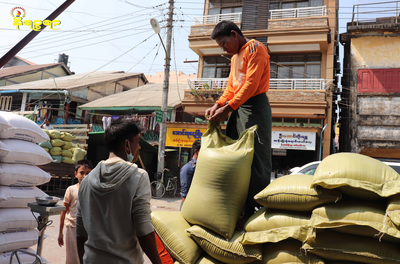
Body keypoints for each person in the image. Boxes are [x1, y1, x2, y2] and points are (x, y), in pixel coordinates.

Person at [205, 20, 272, 227]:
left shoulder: (255, 48)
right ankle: (238, 204)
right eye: (220, 46)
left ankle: (255, 208)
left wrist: (229, 107)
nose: (223, 49)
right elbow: (231, 88)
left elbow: (251, 85)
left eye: (224, 43)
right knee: (236, 155)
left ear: (234, 34)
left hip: (255, 107)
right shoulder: (235, 58)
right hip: (238, 106)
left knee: (256, 157)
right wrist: (218, 104)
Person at [76, 118, 162, 264]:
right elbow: (143, 227)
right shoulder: (139, 176)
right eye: (137, 142)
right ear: (127, 144)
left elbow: (80, 231)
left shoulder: (87, 180)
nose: (139, 148)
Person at [58, 159, 93, 264]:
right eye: (81, 173)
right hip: (72, 228)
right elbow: (64, 211)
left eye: (88, 173)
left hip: (88, 229)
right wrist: (60, 233)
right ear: (75, 174)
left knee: (85, 258)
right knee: (72, 258)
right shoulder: (71, 190)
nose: (84, 176)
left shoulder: (94, 190)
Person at [180, 140, 201, 206]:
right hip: (189, 206)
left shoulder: (200, 167)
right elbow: (184, 194)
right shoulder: (188, 168)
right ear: (196, 152)